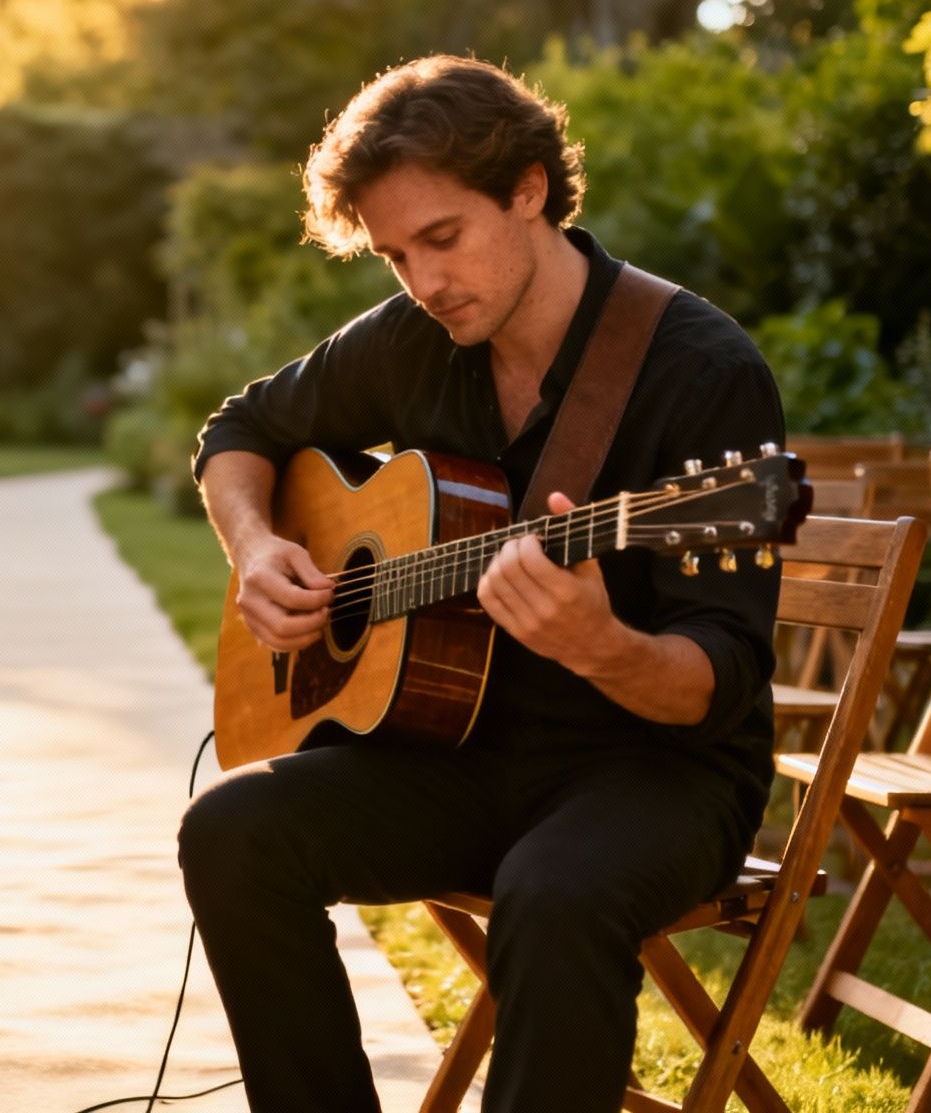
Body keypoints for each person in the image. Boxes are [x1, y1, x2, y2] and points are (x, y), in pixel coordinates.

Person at [180, 54, 786, 1112]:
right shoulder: (416, 342)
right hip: (457, 756)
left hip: (650, 773)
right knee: (229, 831)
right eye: (393, 256)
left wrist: (601, 645)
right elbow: (240, 430)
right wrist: (253, 547)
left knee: (550, 894)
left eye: (442, 239)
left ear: (527, 190)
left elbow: (715, 682)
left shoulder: (699, 372)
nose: (422, 283)